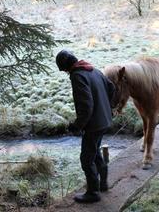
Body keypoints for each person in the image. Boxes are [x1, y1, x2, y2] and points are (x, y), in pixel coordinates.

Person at [56, 50, 115, 203]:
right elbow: (112, 87)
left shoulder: (78, 75)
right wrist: (107, 108)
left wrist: (77, 126)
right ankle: (103, 184)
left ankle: (93, 192)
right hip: (104, 120)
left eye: (64, 70)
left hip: (94, 125)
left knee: (86, 159)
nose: (66, 73)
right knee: (95, 152)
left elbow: (86, 106)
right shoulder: (94, 70)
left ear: (66, 67)